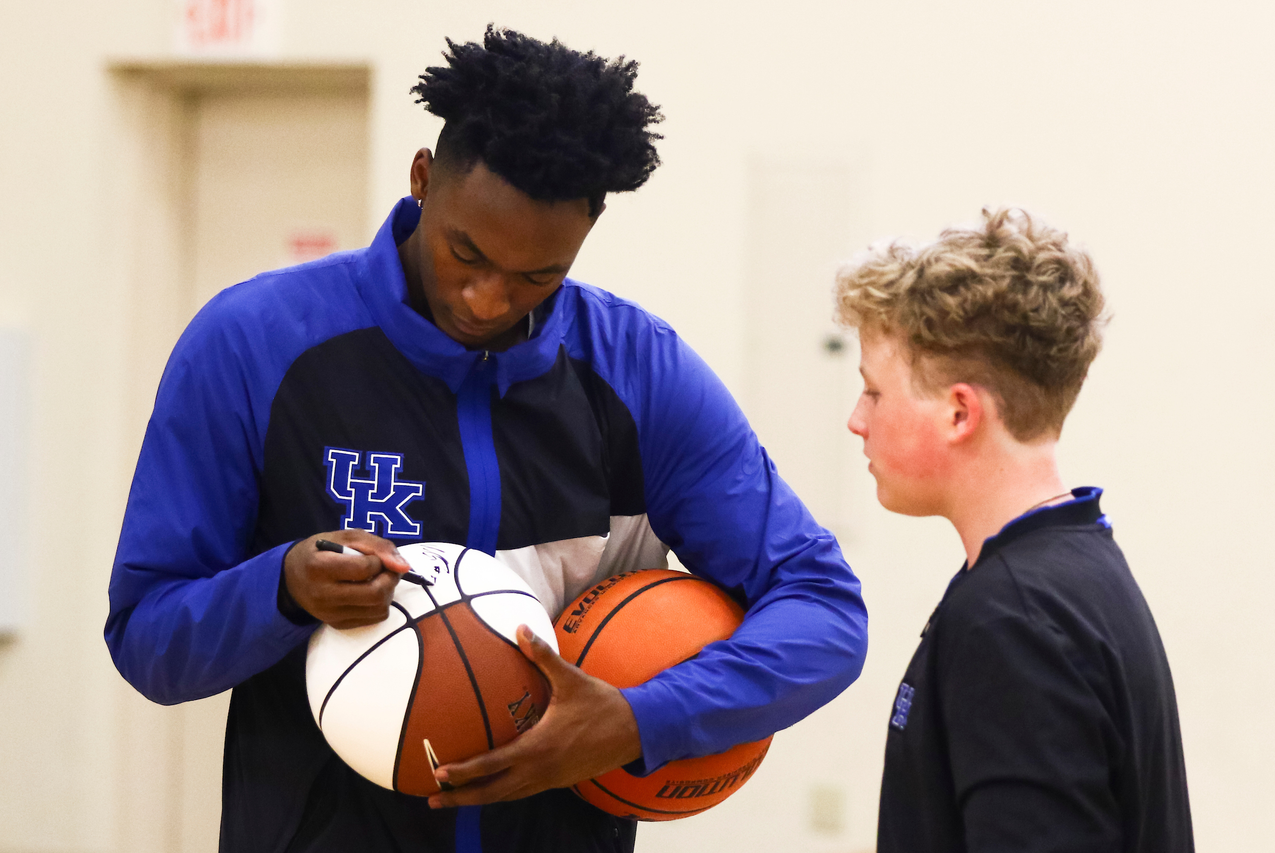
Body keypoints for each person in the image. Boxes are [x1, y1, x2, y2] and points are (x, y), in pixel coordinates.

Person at [105, 26, 868, 853]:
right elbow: (147, 637)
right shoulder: (251, 344)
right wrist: (282, 588)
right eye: (464, 251)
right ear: (423, 179)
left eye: (537, 274)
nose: (487, 297)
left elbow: (823, 611)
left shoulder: (641, 375)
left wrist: (637, 719)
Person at [836, 208, 1193, 852]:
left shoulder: (1012, 621)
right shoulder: (1083, 569)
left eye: (875, 393)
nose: (856, 421)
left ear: (958, 412)